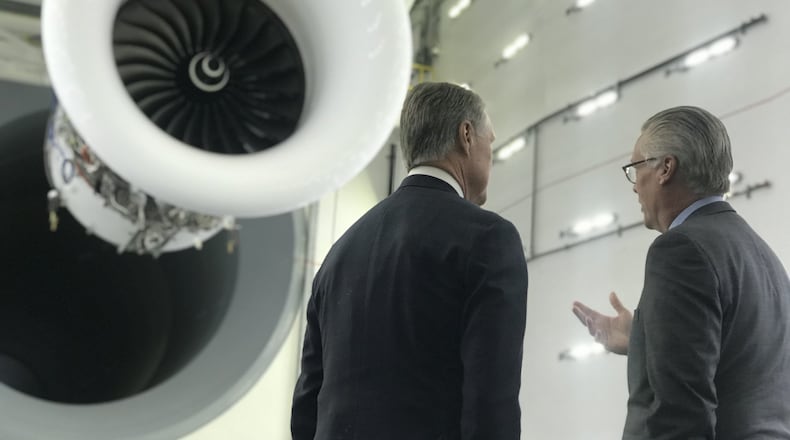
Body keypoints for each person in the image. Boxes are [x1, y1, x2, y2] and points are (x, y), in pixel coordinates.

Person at [291, 82, 529, 440]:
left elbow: (308, 401)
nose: (490, 158)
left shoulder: (338, 255)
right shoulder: (487, 238)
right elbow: (491, 399)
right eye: (489, 143)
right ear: (466, 135)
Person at [572, 106, 790, 439]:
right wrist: (645, 339)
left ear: (665, 168)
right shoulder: (763, 256)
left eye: (636, 167)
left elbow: (681, 411)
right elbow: (736, 365)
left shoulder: (681, 249)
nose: (633, 186)